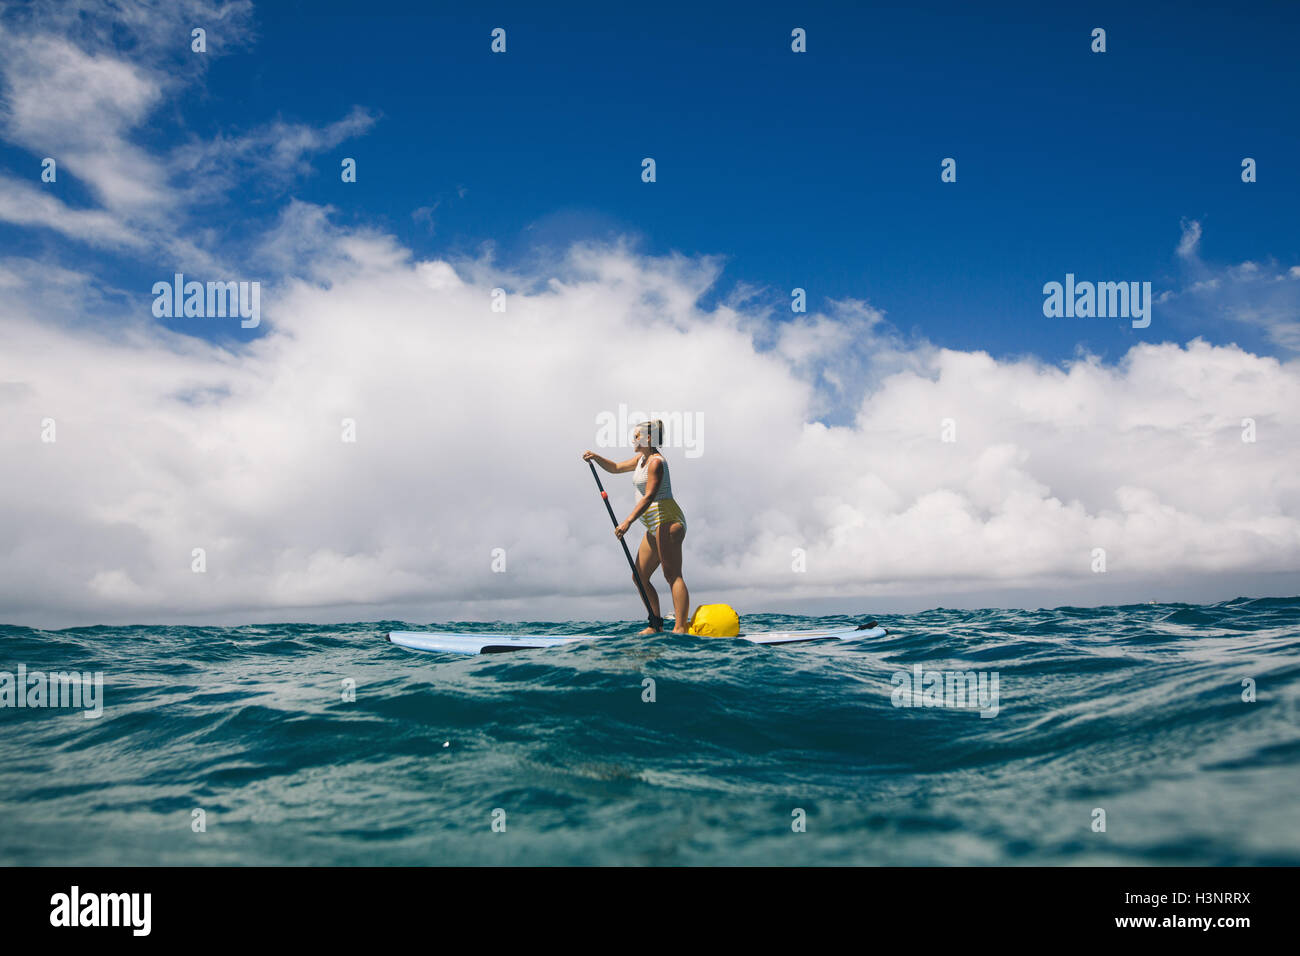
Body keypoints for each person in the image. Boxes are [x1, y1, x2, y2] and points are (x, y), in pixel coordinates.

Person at [582, 419, 690, 634]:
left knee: (672, 575)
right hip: (653, 525)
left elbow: (650, 496)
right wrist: (595, 457)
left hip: (668, 521)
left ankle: (680, 628)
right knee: (639, 577)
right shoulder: (642, 459)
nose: (633, 439)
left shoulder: (657, 462)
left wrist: (628, 521)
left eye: (637, 436)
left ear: (649, 438)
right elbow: (615, 468)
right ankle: (655, 624)